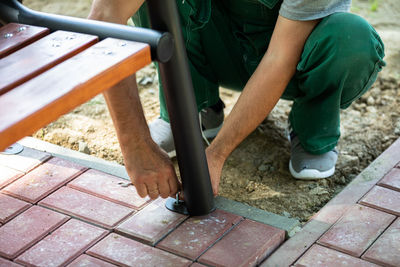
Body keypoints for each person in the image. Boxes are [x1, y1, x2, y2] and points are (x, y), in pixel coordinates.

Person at [88, 0, 385, 199]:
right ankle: (194, 109)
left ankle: (312, 130)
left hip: (291, 56)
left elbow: (279, 58)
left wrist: (216, 155)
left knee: (351, 39)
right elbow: (105, 19)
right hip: (218, 43)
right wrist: (136, 146)